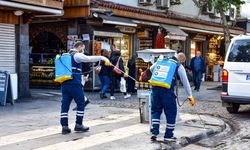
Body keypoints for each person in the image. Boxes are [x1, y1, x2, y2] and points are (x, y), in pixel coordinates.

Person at [60, 41, 110, 134]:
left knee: (65, 104)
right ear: (79, 47)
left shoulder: (65, 56)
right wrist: (102, 57)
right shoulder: (76, 55)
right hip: (74, 83)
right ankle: (78, 124)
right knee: (81, 102)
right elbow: (88, 58)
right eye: (83, 48)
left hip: (64, 83)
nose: (83, 50)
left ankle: (64, 126)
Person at [150, 53, 195, 142]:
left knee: (156, 111)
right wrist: (190, 96)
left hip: (155, 89)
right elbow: (185, 82)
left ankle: (154, 132)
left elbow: (151, 69)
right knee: (171, 112)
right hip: (167, 91)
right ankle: (168, 135)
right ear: (182, 61)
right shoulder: (178, 65)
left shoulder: (163, 60)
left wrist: (161, 78)